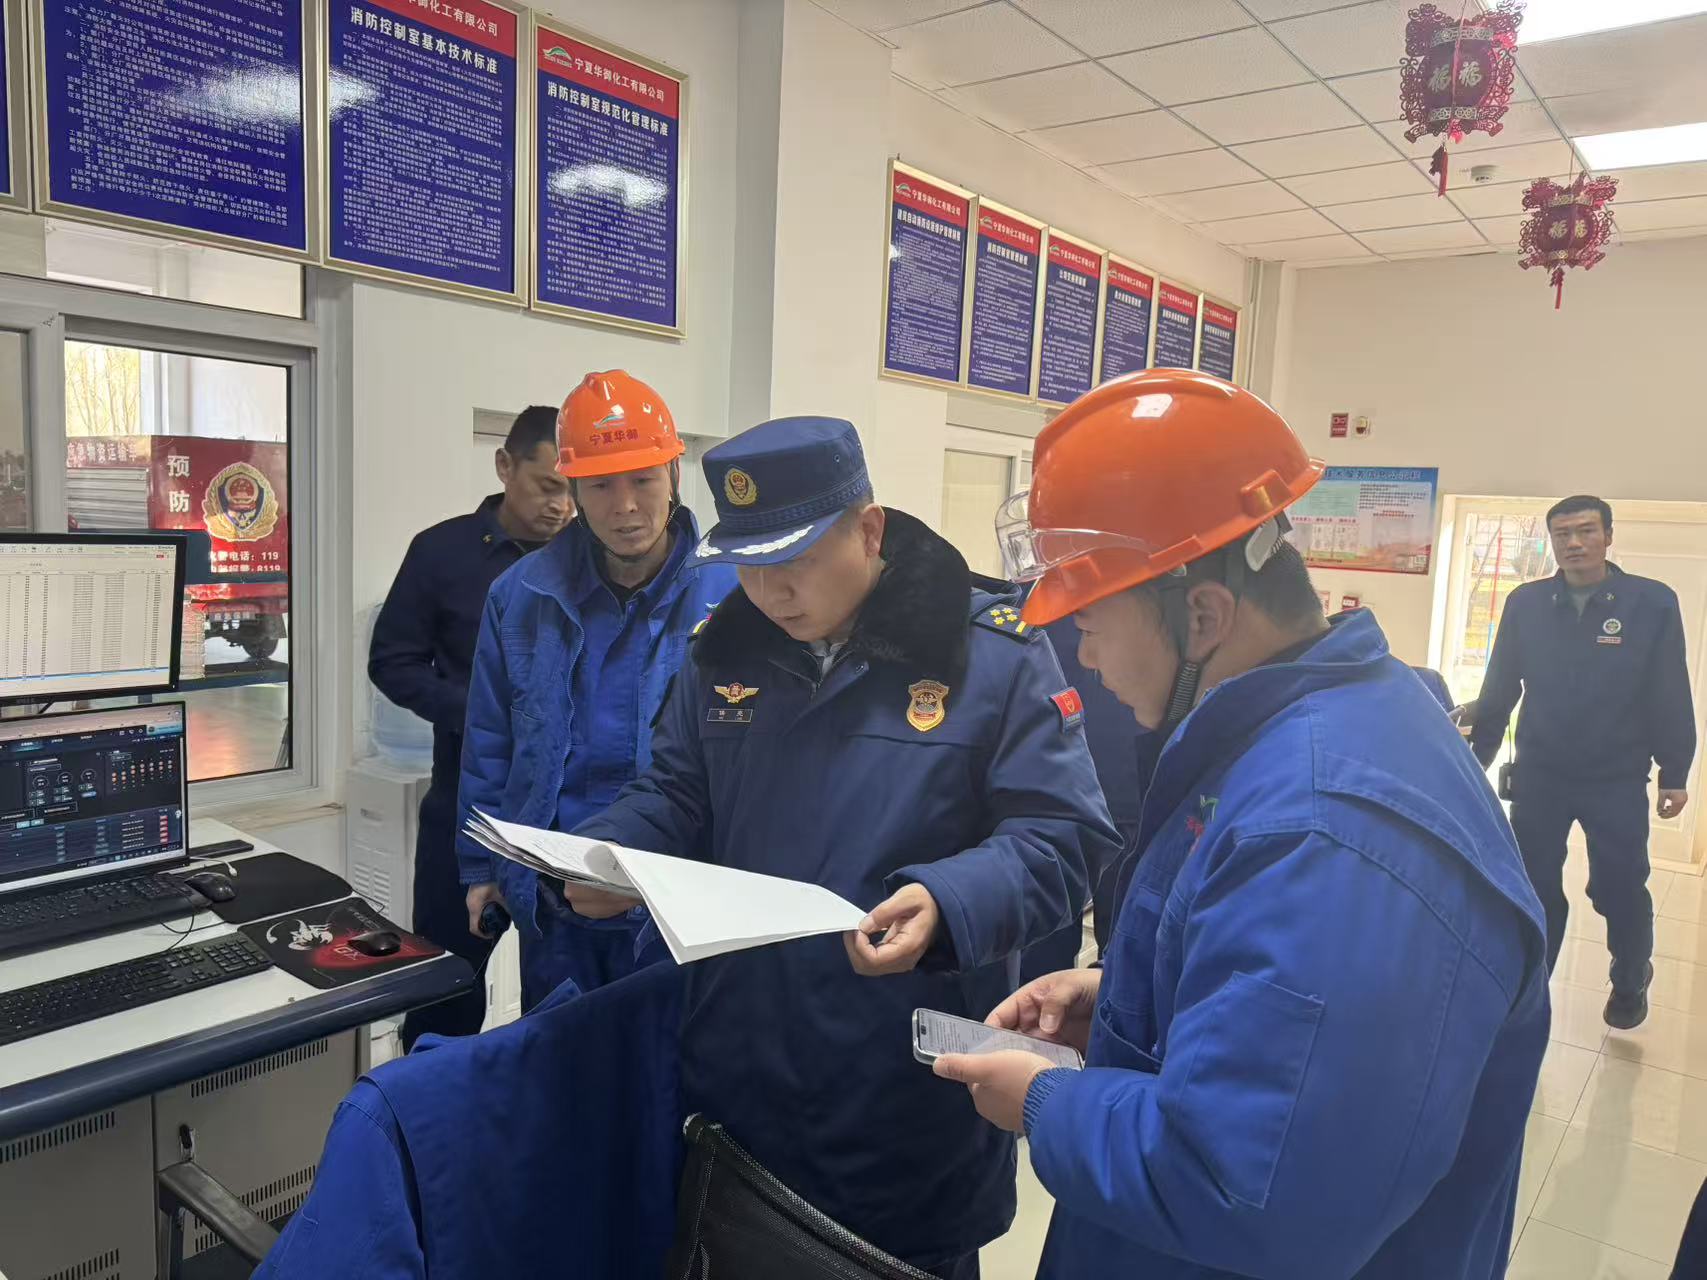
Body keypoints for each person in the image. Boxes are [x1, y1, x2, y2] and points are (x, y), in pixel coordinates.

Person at [933, 371, 1549, 1280]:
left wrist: (1044, 1104)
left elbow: (1254, 1190)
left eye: (1090, 621)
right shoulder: (1304, 726)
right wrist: (1128, 1000)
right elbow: (1281, 1007)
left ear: (1204, 615)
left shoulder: (1327, 834)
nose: (1084, 657)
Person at [567, 416, 1118, 1277]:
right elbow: (675, 791)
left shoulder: (992, 656)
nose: (770, 591)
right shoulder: (723, 653)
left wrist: (947, 901)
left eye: (794, 560)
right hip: (741, 1063)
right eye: (749, 565)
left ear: (868, 530)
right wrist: (609, 855)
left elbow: (1063, 835)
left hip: (900, 1081)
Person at [456, 371, 738, 1010]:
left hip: (678, 900)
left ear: (675, 473)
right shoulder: (520, 595)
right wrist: (480, 867)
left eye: (643, 480)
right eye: (602, 485)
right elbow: (490, 741)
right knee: (564, 1056)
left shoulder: (734, 596)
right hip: (555, 897)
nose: (626, 506)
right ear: (575, 490)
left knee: (677, 1063)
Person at [368, 405, 571, 1049]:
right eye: (548, 486)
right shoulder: (441, 552)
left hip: (564, 816)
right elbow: (392, 662)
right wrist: (481, 715)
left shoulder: (588, 561)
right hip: (465, 807)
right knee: (445, 992)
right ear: (505, 466)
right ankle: (425, 1107)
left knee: (564, 998)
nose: (562, 506)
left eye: (574, 489)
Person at [1469, 495, 1696, 1029]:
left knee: (1618, 886)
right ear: (1551, 541)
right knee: (1532, 886)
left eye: (1586, 531)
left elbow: (1668, 690)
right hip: (1540, 774)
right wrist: (1476, 762)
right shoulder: (1526, 603)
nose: (1574, 543)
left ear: (1608, 536)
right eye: (1562, 534)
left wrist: (1675, 771)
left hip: (1615, 777)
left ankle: (1630, 976)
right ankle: (1530, 987)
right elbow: (1499, 688)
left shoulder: (1651, 603)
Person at [1019, 615, 1161, 977]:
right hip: (1048, 804)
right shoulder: (1032, 610)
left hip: (1127, 792)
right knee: (1043, 964)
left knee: (1123, 951)